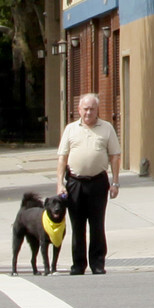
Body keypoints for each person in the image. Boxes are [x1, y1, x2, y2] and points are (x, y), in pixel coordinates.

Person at [56, 93, 121, 275]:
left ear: (97, 110)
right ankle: (78, 265)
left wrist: (115, 182)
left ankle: (97, 263)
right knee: (77, 226)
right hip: (75, 182)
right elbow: (62, 158)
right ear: (79, 110)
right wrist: (60, 184)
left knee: (97, 224)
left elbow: (115, 156)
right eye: (85, 109)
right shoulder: (70, 129)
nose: (88, 112)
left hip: (98, 182)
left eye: (92, 109)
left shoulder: (107, 128)